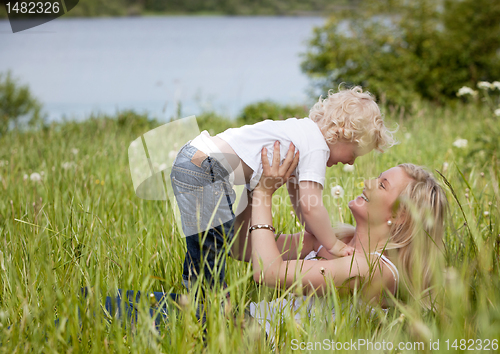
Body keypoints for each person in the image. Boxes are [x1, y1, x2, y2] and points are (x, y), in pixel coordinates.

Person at [170, 86, 395, 291]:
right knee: (214, 240)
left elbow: (299, 203)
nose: (351, 163)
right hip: (207, 166)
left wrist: (315, 232)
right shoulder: (316, 146)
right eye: (354, 154)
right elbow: (310, 206)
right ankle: (209, 296)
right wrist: (332, 243)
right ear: (343, 134)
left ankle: (194, 287)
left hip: (195, 158)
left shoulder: (301, 135)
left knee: (206, 237)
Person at [246, 142, 448, 336]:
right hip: (256, 324)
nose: (368, 183)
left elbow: (268, 273)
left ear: (399, 215)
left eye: (382, 185)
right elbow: (241, 248)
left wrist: (263, 194)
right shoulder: (336, 240)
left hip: (268, 339)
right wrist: (249, 181)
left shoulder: (372, 268)